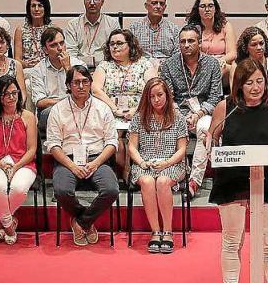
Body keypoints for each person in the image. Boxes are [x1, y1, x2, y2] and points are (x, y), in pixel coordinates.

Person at [206, 58, 268, 283]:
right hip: (232, 180)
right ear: (239, 85)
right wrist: (210, 149)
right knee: (232, 242)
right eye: (249, 83)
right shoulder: (226, 107)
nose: (256, 88)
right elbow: (212, 139)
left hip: (264, 181)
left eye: (260, 81)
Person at [46, 65, 120, 246]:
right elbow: (53, 145)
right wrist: (72, 166)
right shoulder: (57, 109)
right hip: (67, 160)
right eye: (76, 82)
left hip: (97, 158)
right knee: (62, 191)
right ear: (68, 85)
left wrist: (95, 163)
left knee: (111, 190)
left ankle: (81, 222)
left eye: (85, 81)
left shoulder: (103, 108)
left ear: (90, 83)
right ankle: (85, 220)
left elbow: (112, 142)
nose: (81, 86)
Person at [127, 78, 188, 253]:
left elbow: (182, 150)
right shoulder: (139, 118)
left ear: (167, 95)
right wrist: (141, 162)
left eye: (160, 95)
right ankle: (155, 231)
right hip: (145, 162)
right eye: (152, 96)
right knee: (147, 181)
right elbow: (132, 147)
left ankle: (167, 231)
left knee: (162, 181)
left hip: (172, 162)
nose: (156, 99)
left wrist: (166, 163)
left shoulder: (178, 117)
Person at [161, 25, 223, 194]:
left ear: (200, 42)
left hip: (203, 112)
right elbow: (168, 97)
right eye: (183, 41)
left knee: (205, 128)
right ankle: (175, 176)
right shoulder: (169, 65)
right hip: (176, 112)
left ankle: (194, 181)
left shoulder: (212, 64)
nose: (186, 45)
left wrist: (198, 114)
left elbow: (215, 97)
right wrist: (180, 116)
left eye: (191, 41)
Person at [91, 29, 157, 175]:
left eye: (119, 43)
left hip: (140, 111)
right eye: (112, 44)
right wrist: (114, 109)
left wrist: (137, 110)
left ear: (130, 45)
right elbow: (95, 90)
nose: (115, 47)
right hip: (111, 111)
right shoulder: (104, 66)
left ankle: (128, 170)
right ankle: (127, 169)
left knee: (132, 131)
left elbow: (153, 88)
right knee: (116, 135)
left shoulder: (144, 64)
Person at [0, 75, 38, 245]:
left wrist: (16, 166)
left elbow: (32, 150)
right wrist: (2, 165)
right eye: (7, 94)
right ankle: (10, 226)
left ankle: (2, 224)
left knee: (19, 188)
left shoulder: (28, 116)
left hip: (23, 162)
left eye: (15, 93)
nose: (12, 97)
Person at [29, 27, 85, 136]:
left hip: (77, 107)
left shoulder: (79, 65)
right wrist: (64, 103)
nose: (60, 48)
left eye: (62, 43)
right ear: (45, 50)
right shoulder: (37, 70)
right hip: (50, 110)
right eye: (53, 45)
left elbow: (82, 94)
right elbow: (40, 102)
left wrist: (68, 69)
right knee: (51, 113)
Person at [186, 0, 237, 85]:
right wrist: (209, 62)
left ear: (215, 9)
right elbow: (190, 53)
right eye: (203, 6)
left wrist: (218, 61)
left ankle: (216, 92)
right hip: (201, 64)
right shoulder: (193, 29)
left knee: (224, 67)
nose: (207, 9)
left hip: (222, 63)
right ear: (198, 10)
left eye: (210, 6)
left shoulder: (226, 26)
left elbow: (232, 53)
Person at [65, 0, 119, 69]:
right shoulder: (73, 25)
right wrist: (81, 70)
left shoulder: (112, 24)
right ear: (84, 1)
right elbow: (71, 53)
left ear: (102, 1)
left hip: (105, 69)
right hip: (79, 70)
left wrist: (101, 70)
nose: (92, 3)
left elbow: (116, 51)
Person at [129, 0, 180, 64]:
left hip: (166, 68)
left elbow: (177, 55)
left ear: (165, 7)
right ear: (146, 6)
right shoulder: (134, 28)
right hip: (141, 67)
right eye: (154, 3)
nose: (158, 6)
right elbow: (130, 53)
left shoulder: (174, 29)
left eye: (161, 4)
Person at [236, 26, 268, 102]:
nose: (259, 47)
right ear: (246, 48)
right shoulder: (237, 66)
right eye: (254, 44)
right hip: (243, 106)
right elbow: (235, 96)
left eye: (261, 43)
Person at [13, 0, 53, 69]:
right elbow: (17, 60)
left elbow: (59, 55)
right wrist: (27, 65)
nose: (36, 9)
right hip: (28, 71)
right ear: (29, 9)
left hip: (48, 70)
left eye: (40, 6)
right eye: (33, 6)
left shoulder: (53, 29)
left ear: (46, 8)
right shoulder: (20, 30)